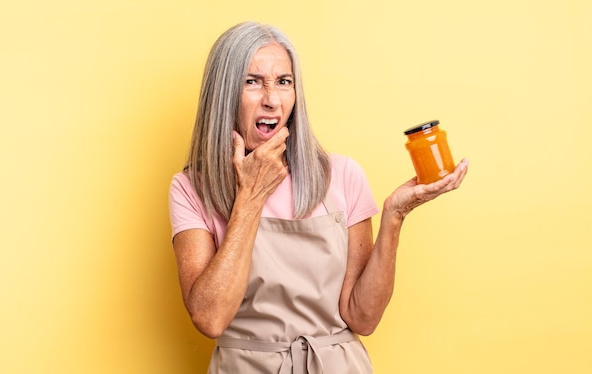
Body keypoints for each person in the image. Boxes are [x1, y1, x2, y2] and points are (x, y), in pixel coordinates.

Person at [168, 21, 469, 374]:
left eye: (284, 82)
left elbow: (363, 318)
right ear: (223, 94)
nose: (272, 99)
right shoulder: (191, 187)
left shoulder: (341, 175)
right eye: (252, 82)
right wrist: (249, 197)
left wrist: (394, 215)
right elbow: (210, 318)